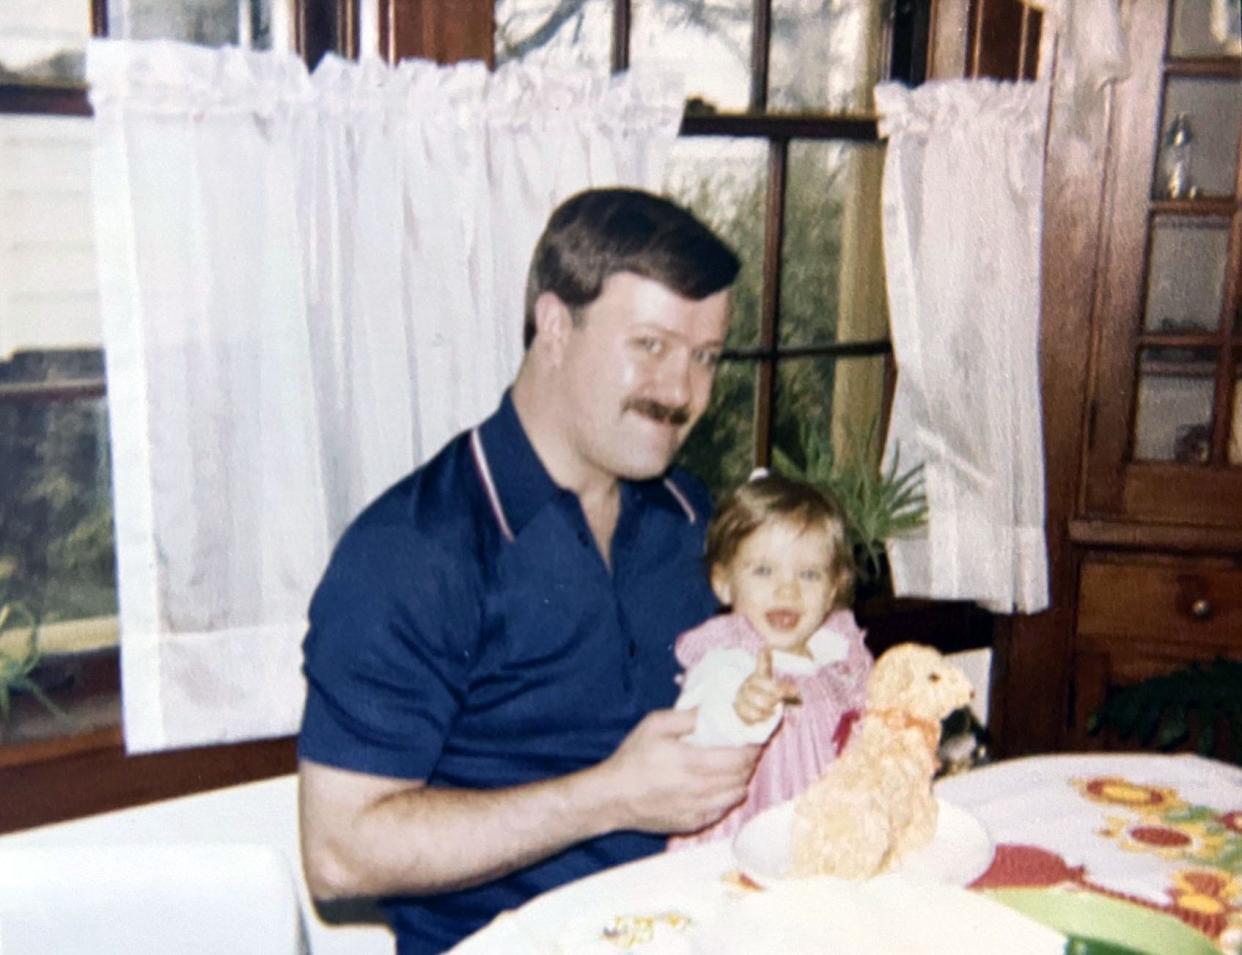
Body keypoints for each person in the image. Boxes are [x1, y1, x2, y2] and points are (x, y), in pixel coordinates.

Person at [297, 187, 761, 953]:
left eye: (705, 357)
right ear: (554, 324)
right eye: (649, 345)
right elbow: (339, 852)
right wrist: (609, 797)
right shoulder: (413, 550)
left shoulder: (689, 514)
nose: (683, 392)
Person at [668, 471, 873, 849]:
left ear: (832, 590)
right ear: (724, 582)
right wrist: (740, 710)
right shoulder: (730, 657)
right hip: (748, 841)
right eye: (764, 570)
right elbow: (699, 724)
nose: (787, 589)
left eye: (809, 574)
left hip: (831, 832)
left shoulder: (840, 657)